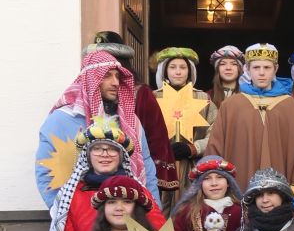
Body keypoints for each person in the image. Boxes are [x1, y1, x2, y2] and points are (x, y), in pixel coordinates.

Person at [37, 51, 160, 207]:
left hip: (128, 213)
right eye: (107, 75)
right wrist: (65, 213)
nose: (116, 82)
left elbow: (147, 167)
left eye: (117, 76)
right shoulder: (60, 120)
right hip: (78, 213)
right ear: (91, 79)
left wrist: (154, 209)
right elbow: (45, 173)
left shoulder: (130, 120)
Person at [43, 117, 165, 231]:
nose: (104, 154)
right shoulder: (73, 194)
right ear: (88, 155)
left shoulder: (137, 192)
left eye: (112, 149)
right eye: (97, 149)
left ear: (121, 156)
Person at [205, 42, 294, 198]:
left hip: (282, 192)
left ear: (275, 69)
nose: (261, 73)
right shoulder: (231, 105)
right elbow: (215, 148)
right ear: (247, 69)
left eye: (267, 67)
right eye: (256, 67)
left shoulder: (290, 106)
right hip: (239, 191)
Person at [83, 32, 178, 199]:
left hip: (133, 177)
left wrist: (152, 183)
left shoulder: (140, 92)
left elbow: (155, 137)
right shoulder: (78, 106)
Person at [152, 45, 213, 211]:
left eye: (183, 67)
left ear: (190, 71)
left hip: (193, 167)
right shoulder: (153, 97)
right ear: (165, 71)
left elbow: (215, 133)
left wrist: (193, 148)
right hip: (160, 167)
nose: (178, 72)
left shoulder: (203, 98)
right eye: (172, 67)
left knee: (190, 212)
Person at [208, 45, 245, 112]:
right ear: (217, 69)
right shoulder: (207, 97)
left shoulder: (250, 96)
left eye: (234, 64)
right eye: (223, 64)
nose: (228, 68)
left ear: (240, 69)